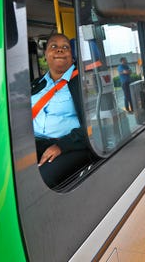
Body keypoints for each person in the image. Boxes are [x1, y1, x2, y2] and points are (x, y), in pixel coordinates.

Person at [31, 33, 93, 188]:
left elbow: (94, 125)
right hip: (34, 143)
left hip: (71, 145)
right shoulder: (35, 85)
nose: (59, 50)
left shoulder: (82, 82)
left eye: (65, 47)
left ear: (72, 55)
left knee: (42, 180)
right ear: (45, 54)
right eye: (54, 46)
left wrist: (61, 146)